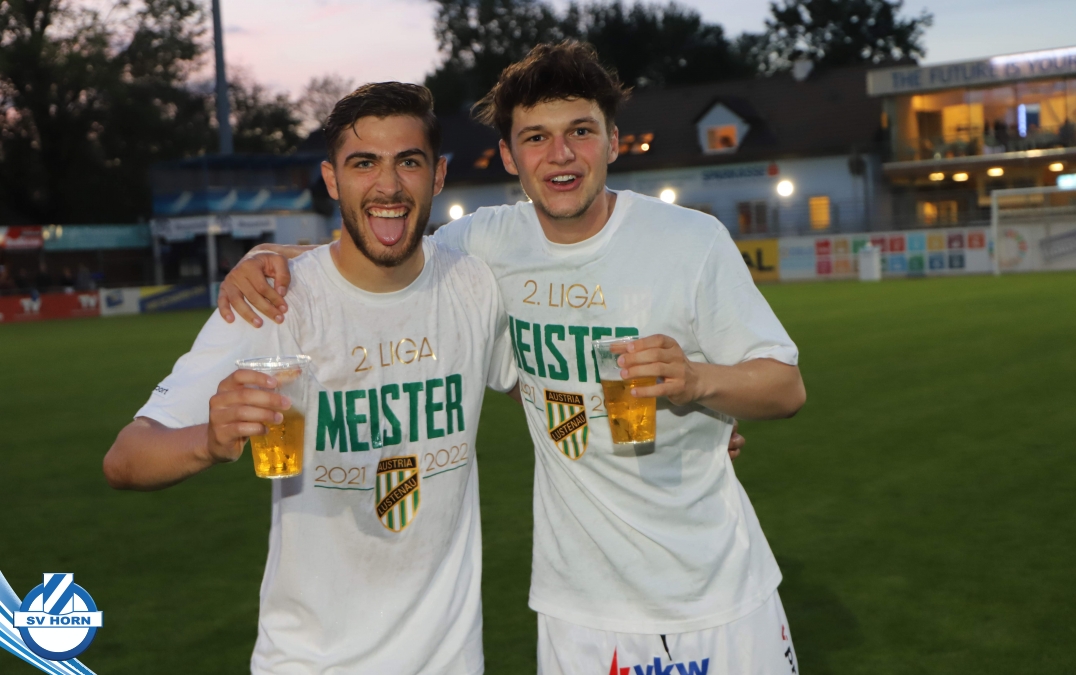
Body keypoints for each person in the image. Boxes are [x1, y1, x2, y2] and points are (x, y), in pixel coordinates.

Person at [221, 41, 803, 674]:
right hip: (579, 608)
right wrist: (268, 257)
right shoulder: (484, 244)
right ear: (508, 156)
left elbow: (785, 387)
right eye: (535, 138)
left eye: (581, 131)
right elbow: (384, 247)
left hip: (720, 589)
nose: (561, 154)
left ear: (613, 141)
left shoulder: (691, 240)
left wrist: (697, 383)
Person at [103, 83, 518, 674]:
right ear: (331, 179)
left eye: (408, 161)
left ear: (439, 174)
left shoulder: (473, 286)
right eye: (363, 163)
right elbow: (125, 459)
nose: (388, 185)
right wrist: (209, 442)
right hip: (311, 662)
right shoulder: (273, 301)